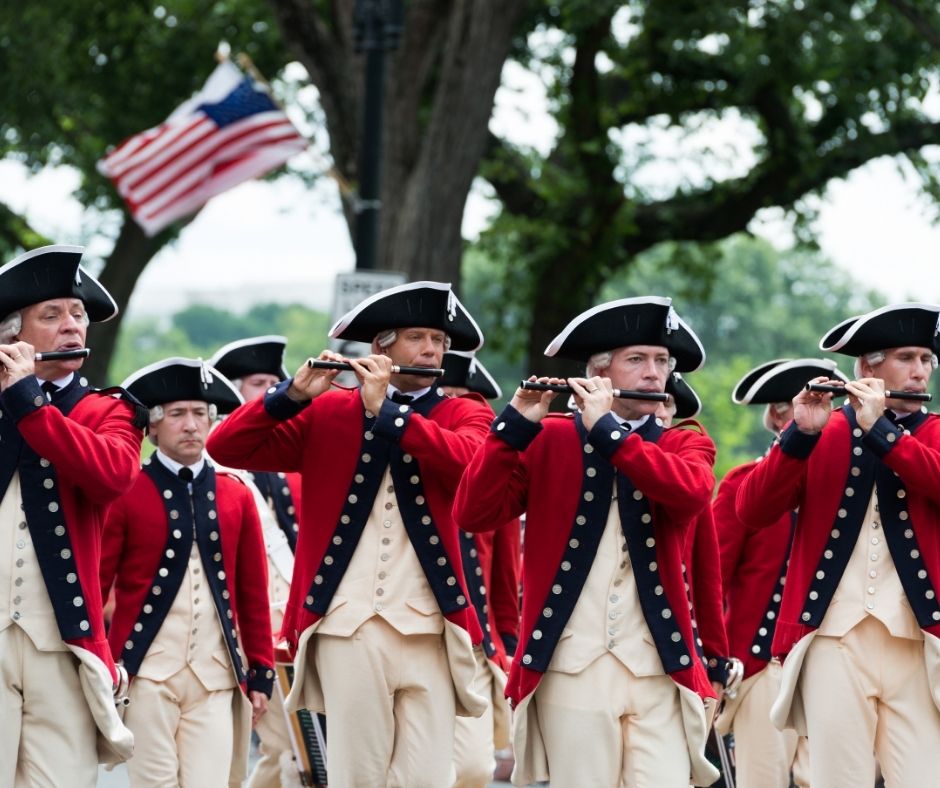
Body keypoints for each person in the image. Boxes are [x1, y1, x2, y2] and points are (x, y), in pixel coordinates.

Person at [206, 281, 490, 788]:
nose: (432, 350)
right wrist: (289, 396)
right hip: (344, 623)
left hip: (432, 626)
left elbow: (474, 466)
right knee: (356, 777)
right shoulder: (327, 411)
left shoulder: (462, 412)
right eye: (418, 337)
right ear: (381, 347)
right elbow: (226, 446)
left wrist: (390, 413)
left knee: (428, 779)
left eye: (439, 341)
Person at [454, 295, 720, 788]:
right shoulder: (550, 438)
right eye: (637, 359)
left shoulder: (685, 442)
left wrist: (611, 433)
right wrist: (511, 427)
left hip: (660, 668)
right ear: (599, 374)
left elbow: (690, 496)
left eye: (661, 361)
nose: (653, 372)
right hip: (570, 666)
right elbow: (474, 512)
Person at [735, 303, 940, 788]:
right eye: (906, 358)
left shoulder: (933, 433)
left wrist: (882, 432)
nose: (919, 371)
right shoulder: (818, 431)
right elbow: (752, 510)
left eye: (926, 359)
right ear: (868, 368)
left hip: (919, 643)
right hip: (832, 640)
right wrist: (798, 437)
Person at [0, 244, 146, 786]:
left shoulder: (110, 409)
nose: (71, 326)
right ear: (13, 334)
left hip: (63, 642)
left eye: (78, 314)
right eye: (52, 315)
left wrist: (28, 401)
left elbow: (112, 475)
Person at [99, 357, 274, 787]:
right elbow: (97, 582)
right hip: (145, 676)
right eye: (177, 414)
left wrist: (261, 671)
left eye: (200, 413)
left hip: (216, 675)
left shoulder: (237, 494)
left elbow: (253, 594)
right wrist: (98, 663)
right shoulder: (126, 491)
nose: (192, 425)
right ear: (153, 427)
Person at [714, 358, 842, 787]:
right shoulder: (742, 483)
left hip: (834, 659)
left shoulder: (846, 485)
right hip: (762, 663)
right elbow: (712, 577)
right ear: (778, 416)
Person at [209, 335, 306, 787]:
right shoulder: (209, 459)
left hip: (285, 621)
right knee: (287, 745)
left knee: (287, 747)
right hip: (239, 626)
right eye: (258, 383)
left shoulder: (278, 457)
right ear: (232, 390)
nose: (271, 389)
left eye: (275, 381)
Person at [441, 350, 522, 788]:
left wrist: (507, 640)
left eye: (462, 399)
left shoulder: (495, 478)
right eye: (445, 396)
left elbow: (505, 575)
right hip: (410, 629)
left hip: (474, 643)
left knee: (474, 770)